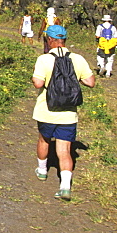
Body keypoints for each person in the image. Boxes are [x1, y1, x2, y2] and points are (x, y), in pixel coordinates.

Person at [31, 24, 95, 201]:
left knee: (44, 140)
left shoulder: (44, 59)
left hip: (46, 110)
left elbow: (38, 83)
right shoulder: (78, 59)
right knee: (65, 149)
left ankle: (42, 171)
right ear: (64, 39)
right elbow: (90, 82)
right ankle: (65, 187)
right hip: (68, 113)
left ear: (50, 40)